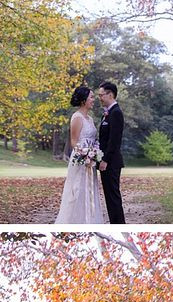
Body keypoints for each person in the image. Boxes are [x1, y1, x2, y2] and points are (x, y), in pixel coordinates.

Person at [53, 85, 105, 223]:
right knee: (78, 191)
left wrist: (94, 154)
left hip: (91, 162)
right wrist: (86, 154)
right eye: (91, 97)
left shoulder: (90, 119)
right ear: (83, 100)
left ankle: (90, 219)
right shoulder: (77, 117)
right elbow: (74, 142)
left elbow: (93, 140)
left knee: (90, 191)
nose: (94, 100)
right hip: (80, 160)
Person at [96, 80, 126, 224]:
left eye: (101, 95)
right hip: (106, 161)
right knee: (109, 196)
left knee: (113, 197)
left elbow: (114, 141)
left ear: (110, 94)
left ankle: (119, 224)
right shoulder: (107, 114)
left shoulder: (116, 113)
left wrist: (105, 160)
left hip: (111, 162)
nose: (99, 98)